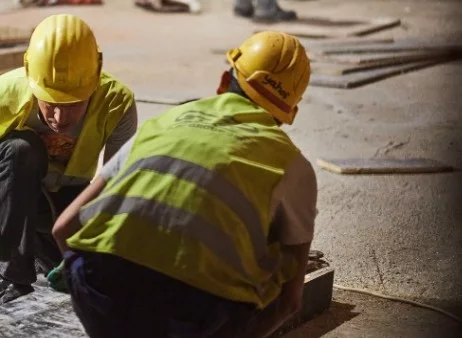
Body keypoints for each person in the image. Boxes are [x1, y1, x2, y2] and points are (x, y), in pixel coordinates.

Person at [52, 31, 316, 338]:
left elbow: (64, 228)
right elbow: (290, 302)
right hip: (195, 316)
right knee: (277, 263)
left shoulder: (162, 124)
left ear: (222, 82)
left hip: (101, 292)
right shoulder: (295, 166)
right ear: (287, 112)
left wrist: (84, 289)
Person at [0, 14, 137, 304]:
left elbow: (116, 189)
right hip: (9, 197)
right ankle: (12, 267)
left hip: (68, 197)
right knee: (20, 150)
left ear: (95, 79)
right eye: (50, 104)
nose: (60, 118)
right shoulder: (4, 94)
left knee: (81, 274)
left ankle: (38, 250)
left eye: (74, 105)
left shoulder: (117, 104)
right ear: (29, 76)